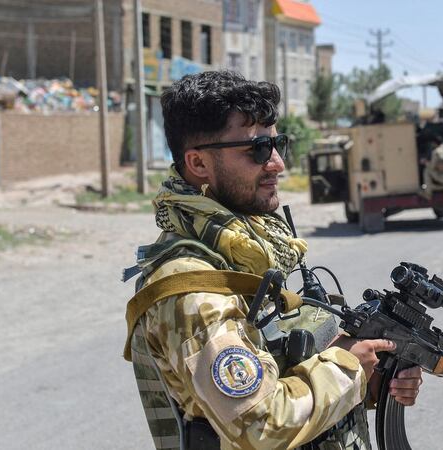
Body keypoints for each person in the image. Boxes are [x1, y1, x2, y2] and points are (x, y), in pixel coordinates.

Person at [123, 71, 423, 450]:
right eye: (258, 150)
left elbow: (279, 370)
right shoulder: (193, 287)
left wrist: (371, 379)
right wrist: (347, 368)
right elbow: (260, 424)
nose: (277, 164)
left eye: (277, 143)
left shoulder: (242, 251)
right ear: (198, 163)